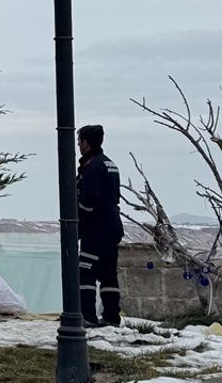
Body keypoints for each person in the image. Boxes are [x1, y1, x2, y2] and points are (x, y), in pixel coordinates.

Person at [77, 123, 124, 327]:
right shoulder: (109, 164)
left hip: (96, 229)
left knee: (84, 272)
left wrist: (78, 221)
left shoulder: (93, 166)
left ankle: (87, 316)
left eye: (80, 141)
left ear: (86, 143)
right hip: (112, 226)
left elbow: (88, 200)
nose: (78, 145)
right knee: (108, 274)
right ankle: (112, 316)